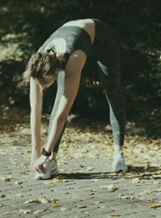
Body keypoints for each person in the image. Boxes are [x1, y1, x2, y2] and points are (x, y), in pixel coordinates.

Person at [22, 18, 128, 180]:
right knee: (55, 104)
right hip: (73, 34)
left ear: (55, 71)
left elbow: (62, 116)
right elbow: (34, 111)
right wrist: (35, 150)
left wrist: (45, 152)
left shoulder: (73, 59)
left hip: (102, 37)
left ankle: (118, 153)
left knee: (112, 91)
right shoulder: (37, 64)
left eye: (46, 82)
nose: (42, 87)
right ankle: (52, 161)